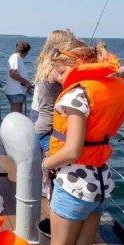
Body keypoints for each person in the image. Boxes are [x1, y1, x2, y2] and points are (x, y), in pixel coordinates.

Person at [43, 42, 124, 245]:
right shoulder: (117, 88)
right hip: (102, 183)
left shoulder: (77, 95)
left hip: (74, 185)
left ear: (78, 65)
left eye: (61, 71)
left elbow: (72, 151)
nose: (59, 78)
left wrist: (46, 165)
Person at [33, 30, 87, 199]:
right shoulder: (57, 70)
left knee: (48, 174)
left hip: (42, 123)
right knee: (53, 173)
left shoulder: (45, 64)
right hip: (51, 129)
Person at [5, 41, 32, 113]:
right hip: (16, 92)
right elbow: (12, 73)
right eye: (27, 51)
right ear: (25, 51)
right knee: (16, 115)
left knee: (17, 115)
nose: (28, 53)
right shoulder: (15, 57)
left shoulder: (17, 58)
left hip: (18, 91)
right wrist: (26, 82)